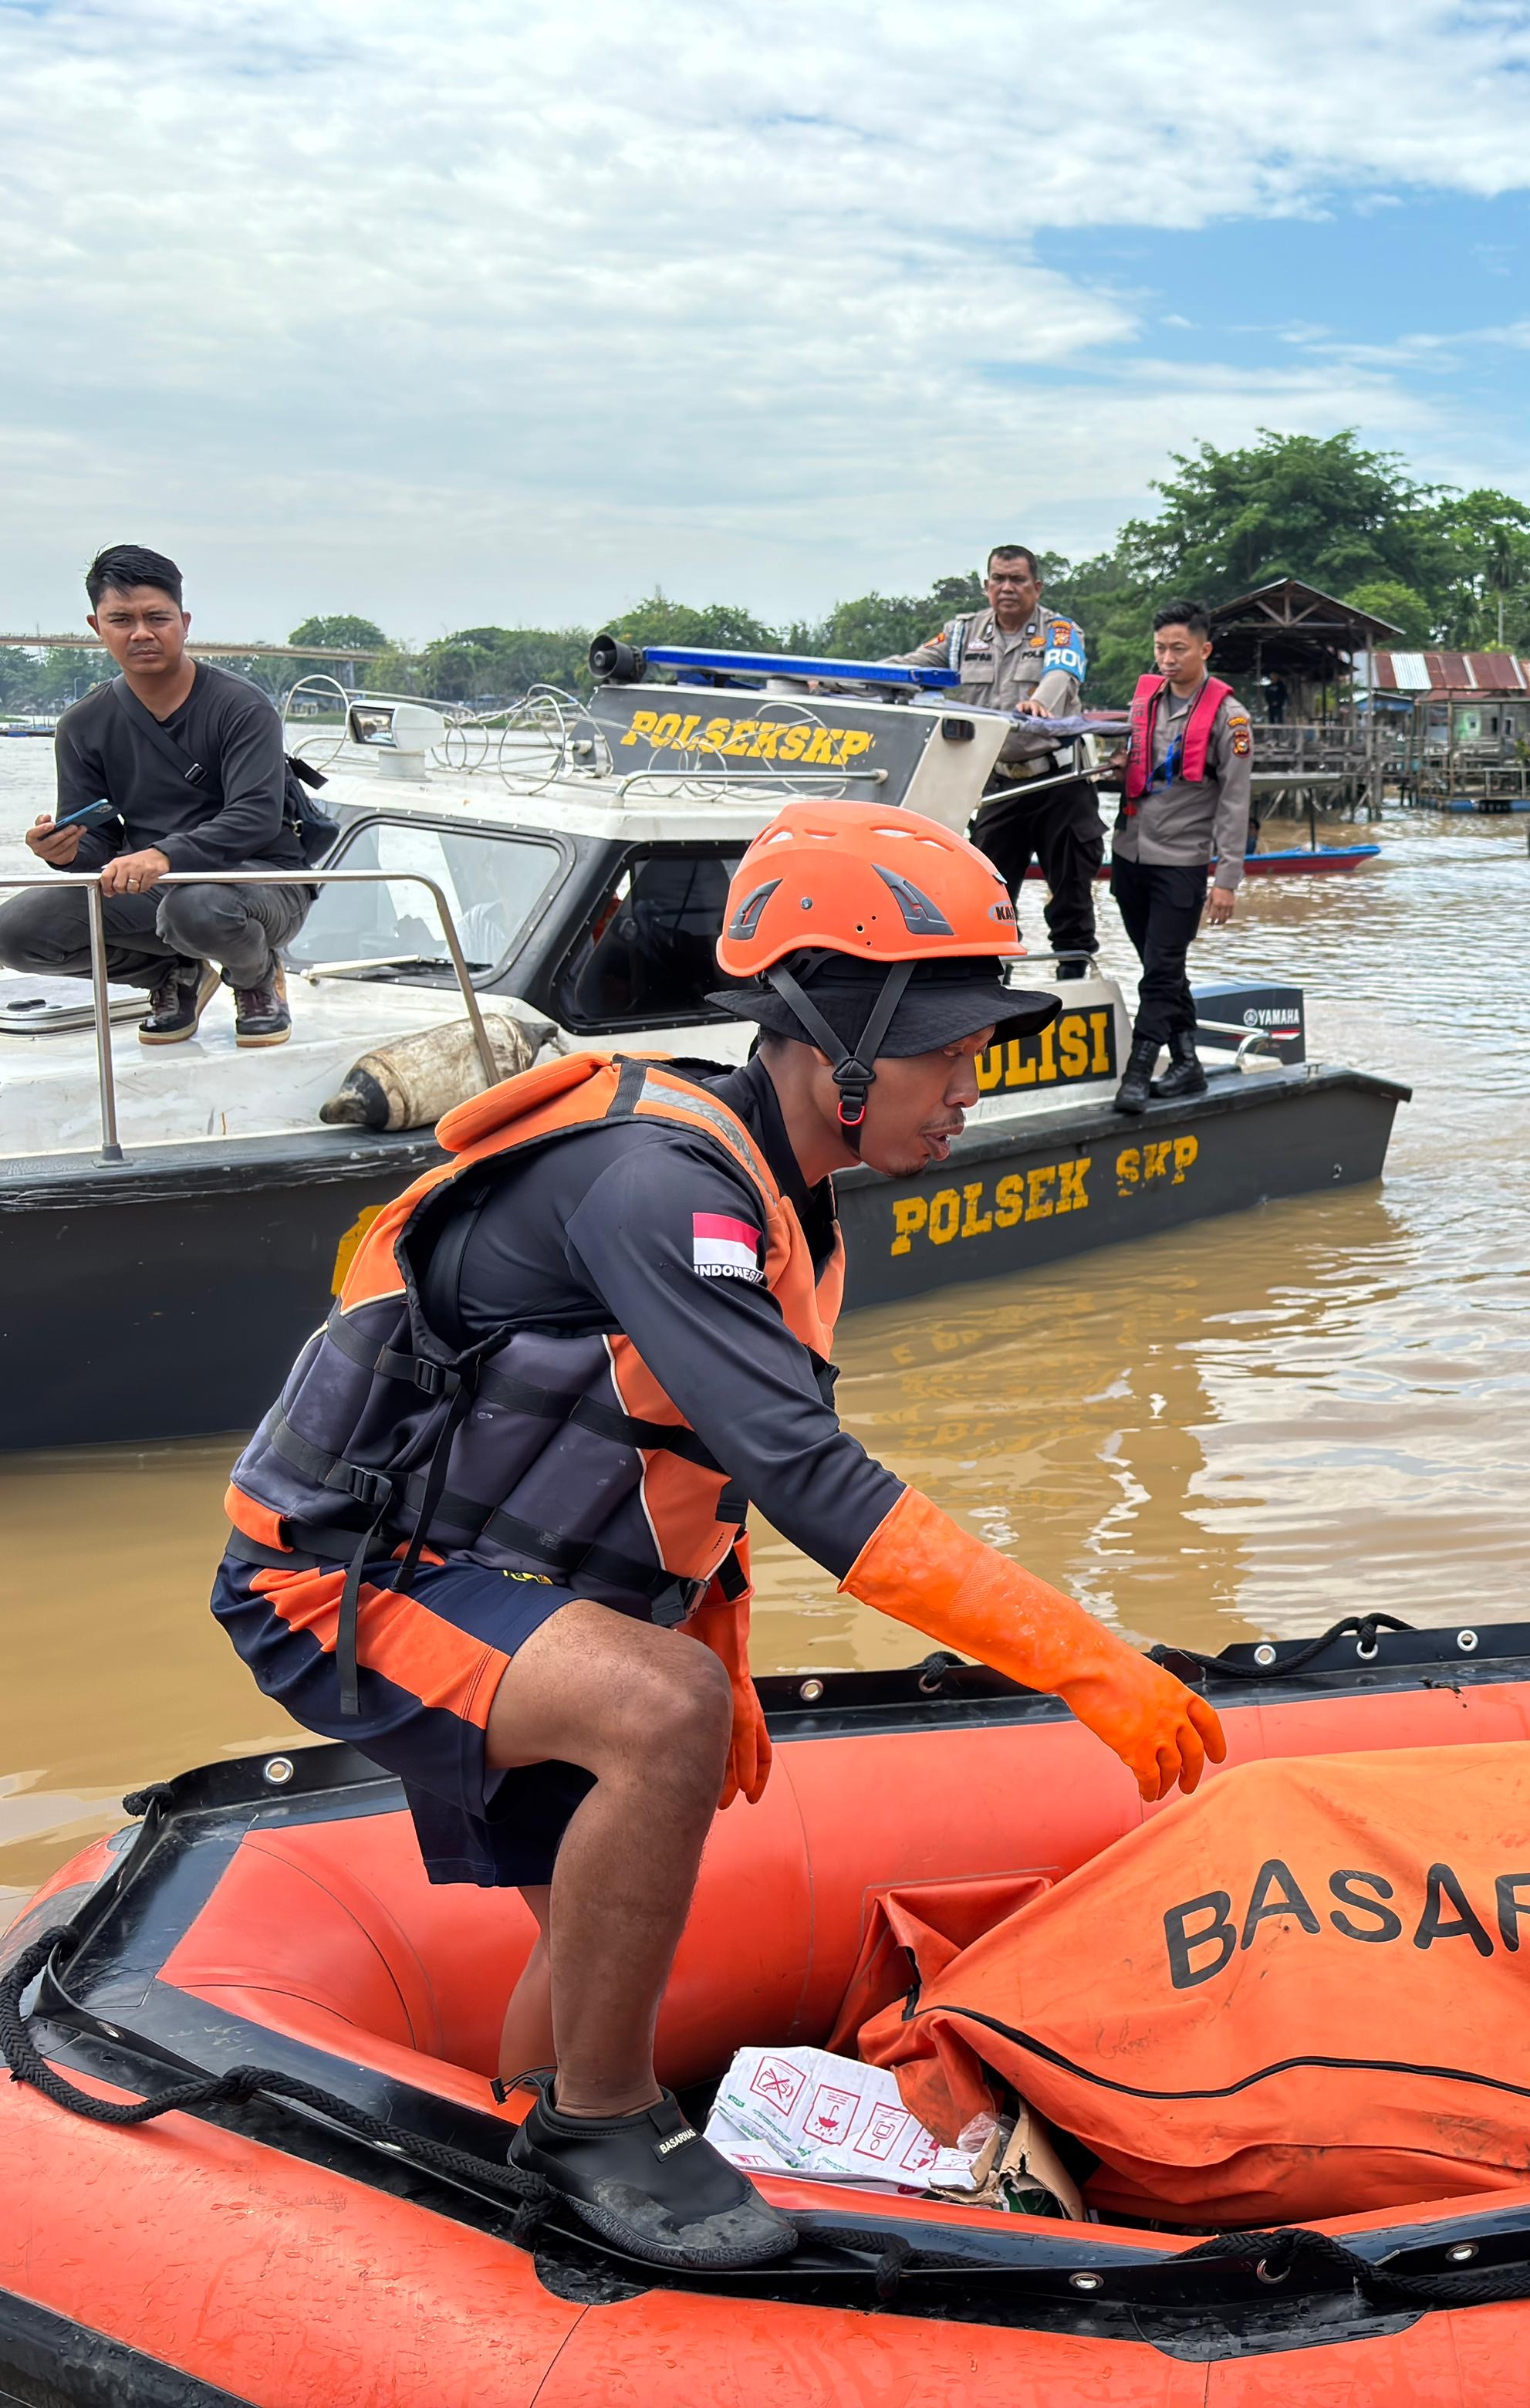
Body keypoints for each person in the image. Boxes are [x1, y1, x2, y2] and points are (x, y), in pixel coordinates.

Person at [206, 800, 1224, 2271]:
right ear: (838, 1043)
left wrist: (715, 1641)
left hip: (505, 1582)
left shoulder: (791, 1196)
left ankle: (509, 2179)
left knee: (599, 1919)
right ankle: (602, 2128)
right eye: (949, 1049)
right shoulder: (659, 1184)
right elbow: (810, 1476)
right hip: (343, 1581)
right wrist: (1087, 1664)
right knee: (660, 1717)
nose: (970, 1086)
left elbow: (693, 1459)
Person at [1, 545, 309, 1046]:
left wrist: (162, 855)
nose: (140, 632)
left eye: (156, 617)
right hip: (155, 887)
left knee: (197, 907)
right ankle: (172, 972)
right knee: (15, 932)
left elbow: (254, 818)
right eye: (121, 618)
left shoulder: (241, 707)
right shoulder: (83, 725)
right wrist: (69, 850)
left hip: (260, 882)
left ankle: (255, 977)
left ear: (183, 623)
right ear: (97, 626)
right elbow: (99, 845)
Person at [890, 546, 1099, 966]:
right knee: (989, 893)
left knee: (1071, 897)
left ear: (1036, 587)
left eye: (1018, 580)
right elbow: (910, 667)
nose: (1007, 588)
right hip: (998, 785)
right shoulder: (963, 635)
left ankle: (1076, 979)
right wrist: (845, 682)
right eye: (998, 579)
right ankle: (994, 989)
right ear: (986, 586)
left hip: (1058, 783)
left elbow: (1061, 673)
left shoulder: (1059, 631)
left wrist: (1039, 702)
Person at [1108, 597, 1251, 1114]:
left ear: (1204, 649)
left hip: (1182, 862)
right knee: (1160, 967)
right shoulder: (1145, 701)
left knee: (1161, 969)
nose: (1167, 660)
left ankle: (1139, 1072)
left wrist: (1227, 879)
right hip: (1129, 853)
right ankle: (1188, 1063)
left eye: (1178, 649)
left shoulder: (1230, 719)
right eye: (1160, 649)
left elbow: (1236, 803)